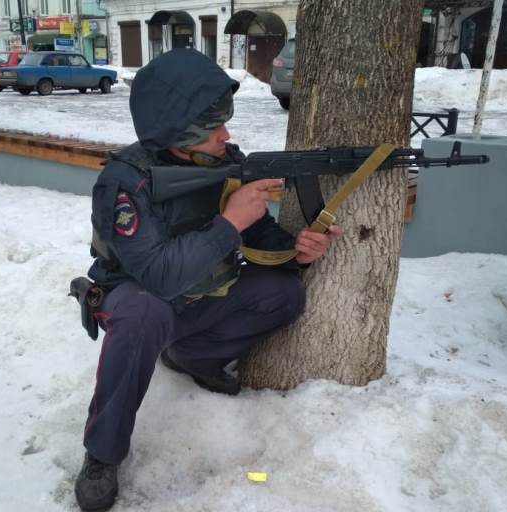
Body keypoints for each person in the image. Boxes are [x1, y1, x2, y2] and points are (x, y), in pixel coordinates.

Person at [74, 48, 342, 512]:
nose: (227, 134)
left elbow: (258, 235)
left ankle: (194, 356)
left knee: (283, 294)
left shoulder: (224, 165)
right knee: (143, 312)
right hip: (141, 302)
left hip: (200, 300)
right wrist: (228, 224)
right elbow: (156, 275)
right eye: (215, 126)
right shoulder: (126, 184)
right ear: (179, 133)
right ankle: (102, 454)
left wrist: (296, 249)